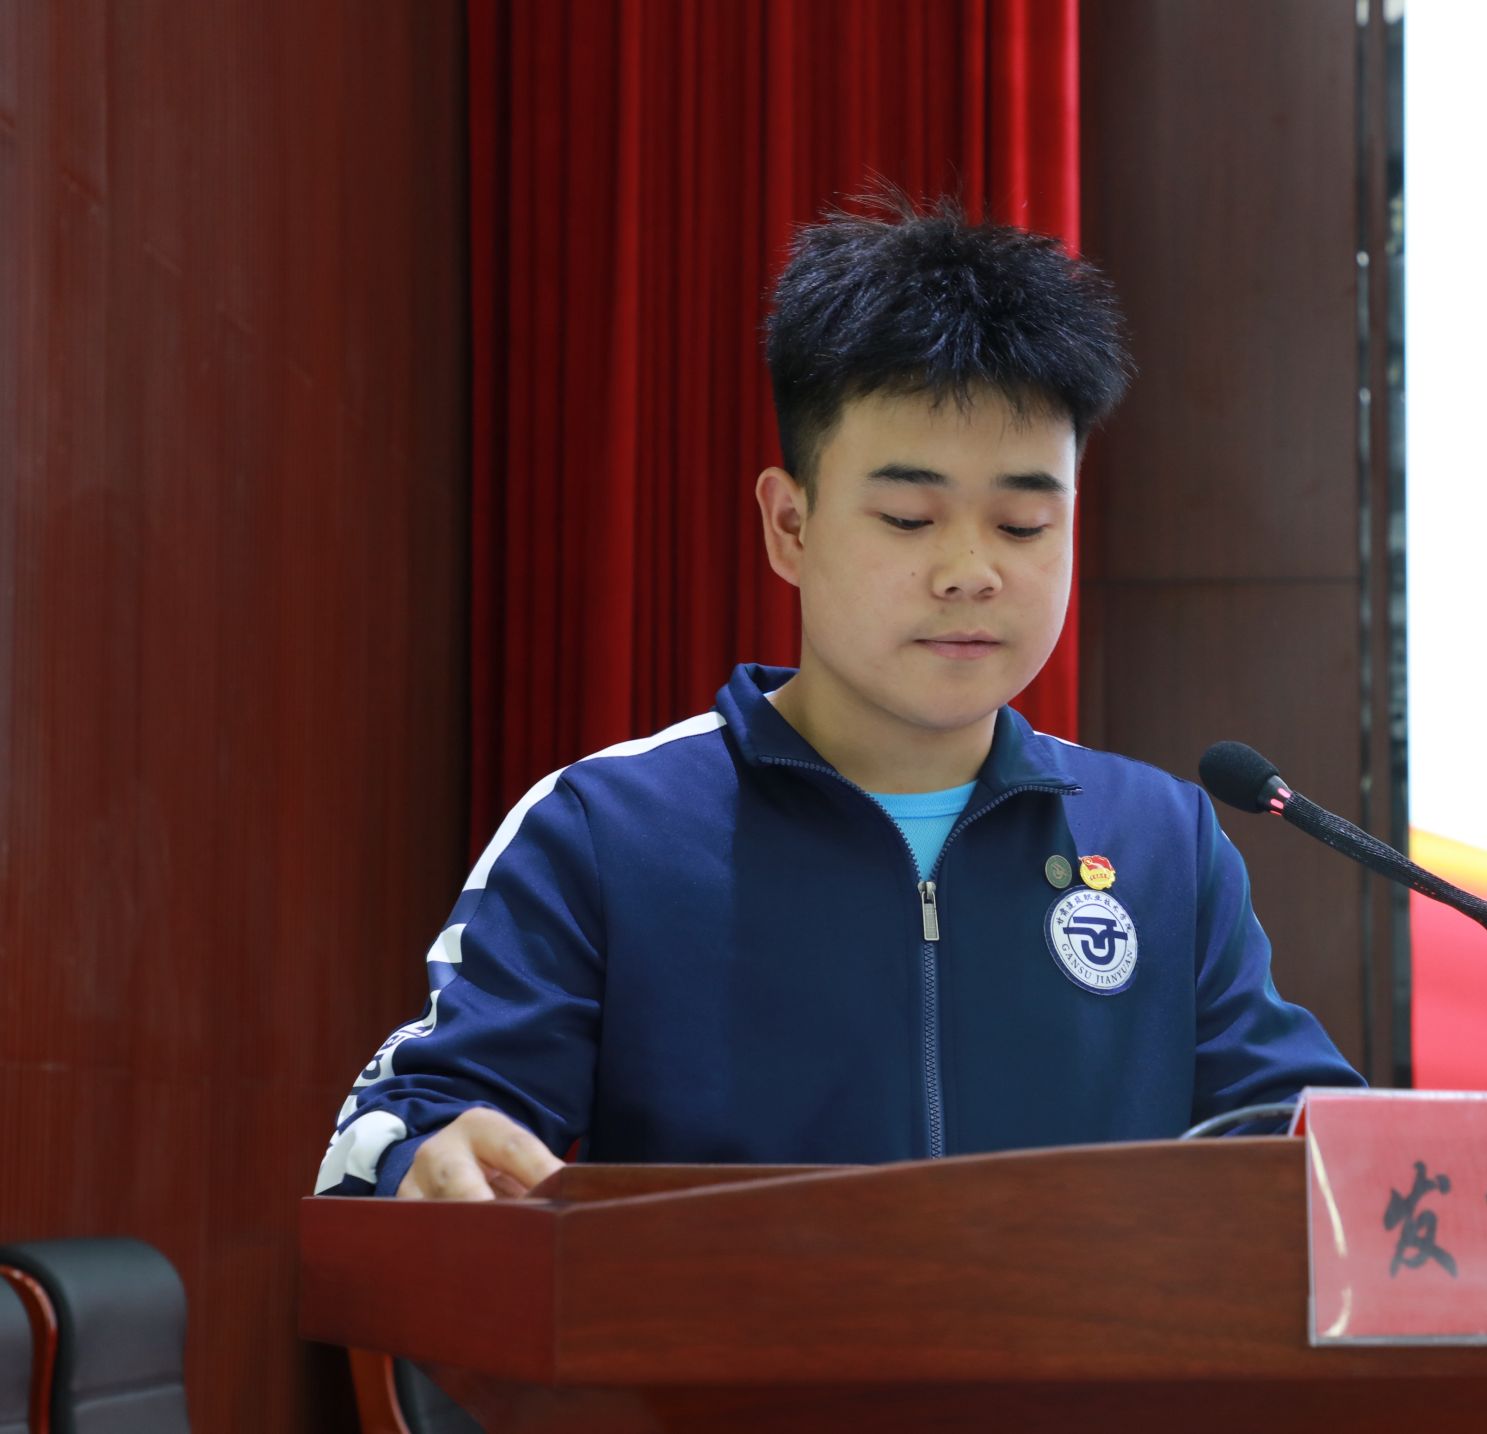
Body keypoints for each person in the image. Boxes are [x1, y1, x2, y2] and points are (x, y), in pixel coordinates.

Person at [314, 194, 1364, 1201]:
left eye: (1022, 526)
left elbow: (1310, 1154)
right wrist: (423, 1154)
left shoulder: (1162, 847)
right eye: (909, 518)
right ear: (790, 526)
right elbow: (409, 1129)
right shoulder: (608, 833)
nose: (970, 571)